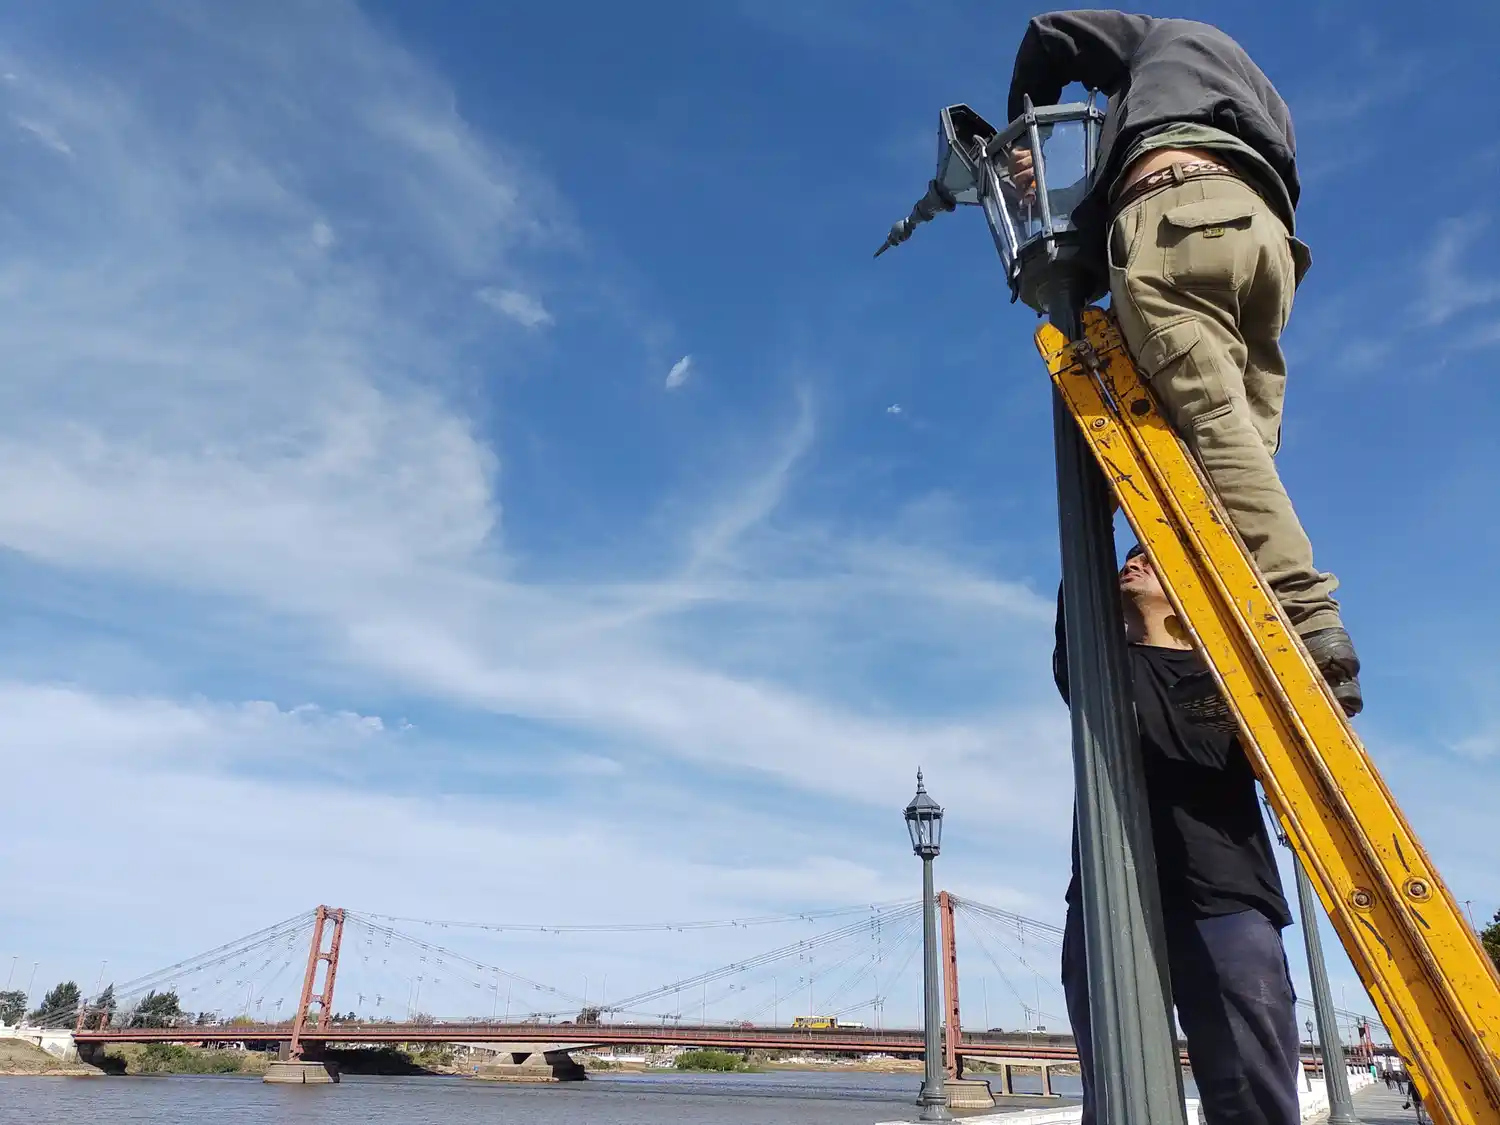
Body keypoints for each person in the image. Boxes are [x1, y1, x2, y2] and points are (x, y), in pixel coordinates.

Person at [1010, 12, 1362, 722]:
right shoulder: (1257, 93)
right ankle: (1223, 630)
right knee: (1241, 448)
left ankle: (1301, 612)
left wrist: (1030, 133)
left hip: (1176, 210)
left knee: (1211, 424)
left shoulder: (1155, 38)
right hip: (1265, 243)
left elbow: (1051, 34)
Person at [1055, 545, 1301, 1124]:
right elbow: (1076, 586)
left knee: (1250, 1094)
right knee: (1115, 1097)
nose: (1132, 563)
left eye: (1151, 555)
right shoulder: (1101, 668)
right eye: (1128, 555)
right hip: (1105, 902)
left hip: (1228, 899)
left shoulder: (1234, 674)